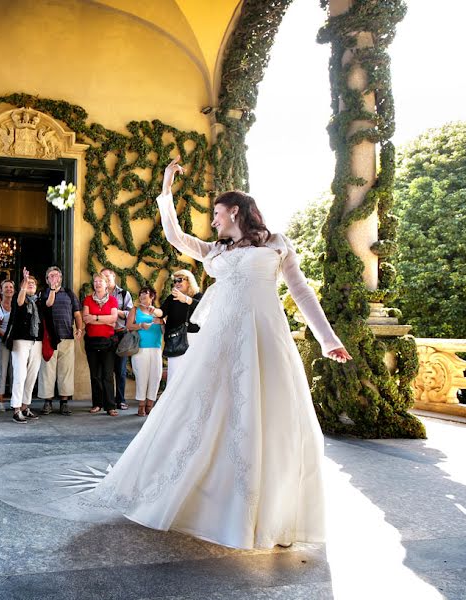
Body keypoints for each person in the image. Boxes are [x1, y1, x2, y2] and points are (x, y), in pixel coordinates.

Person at [88, 157, 352, 549]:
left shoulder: (277, 243)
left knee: (270, 416)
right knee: (203, 414)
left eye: (216, 213)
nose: (212, 220)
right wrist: (164, 191)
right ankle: (200, 500)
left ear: (235, 211)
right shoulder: (214, 251)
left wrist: (328, 338)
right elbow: (176, 236)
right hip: (220, 342)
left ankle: (272, 517)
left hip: (264, 337)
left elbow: (300, 291)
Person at [5, 268, 52, 424]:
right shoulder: (19, 298)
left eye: (33, 283)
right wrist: (24, 284)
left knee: (32, 375)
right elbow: (19, 303)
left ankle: (25, 406)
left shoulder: (39, 301)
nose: (31, 284)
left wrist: (52, 287)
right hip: (20, 340)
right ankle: (16, 408)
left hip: (36, 341)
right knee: (20, 374)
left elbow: (50, 303)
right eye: (27, 282)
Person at [38, 266, 83, 416]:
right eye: (51, 276)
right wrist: (51, 290)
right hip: (49, 338)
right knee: (47, 371)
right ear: (47, 279)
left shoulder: (69, 294)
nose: (54, 278)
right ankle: (47, 402)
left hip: (67, 337)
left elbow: (77, 314)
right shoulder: (43, 294)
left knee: (66, 371)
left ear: (61, 278)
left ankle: (64, 402)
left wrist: (79, 328)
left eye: (56, 276)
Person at [82, 272, 119, 416]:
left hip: (108, 342)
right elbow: (86, 319)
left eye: (100, 281)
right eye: (95, 281)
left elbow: (114, 319)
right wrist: (104, 318)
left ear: (106, 284)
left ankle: (110, 406)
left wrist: (95, 317)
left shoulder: (113, 300)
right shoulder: (88, 299)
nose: (97, 284)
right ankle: (97, 403)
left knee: (108, 375)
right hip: (91, 342)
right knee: (95, 375)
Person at [159, 269, 203, 386]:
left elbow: (204, 309)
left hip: (194, 338)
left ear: (189, 281)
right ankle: (172, 402)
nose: (177, 283)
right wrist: (154, 311)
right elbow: (162, 312)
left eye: (180, 280)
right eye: (175, 281)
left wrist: (186, 299)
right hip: (176, 338)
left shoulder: (198, 296)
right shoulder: (171, 298)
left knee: (192, 372)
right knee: (174, 372)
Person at [126, 286, 164, 417]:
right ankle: (141, 406)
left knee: (156, 376)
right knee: (141, 376)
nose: (142, 296)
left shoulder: (159, 312)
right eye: (141, 294)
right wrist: (141, 325)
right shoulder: (135, 310)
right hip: (140, 348)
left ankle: (150, 405)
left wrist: (161, 321)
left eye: (145, 294)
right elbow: (129, 326)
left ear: (152, 296)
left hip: (156, 348)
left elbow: (165, 330)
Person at [102, 267, 133, 411]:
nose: (106, 279)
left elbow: (130, 313)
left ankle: (121, 400)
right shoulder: (99, 294)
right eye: (103, 277)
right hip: (105, 335)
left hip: (121, 334)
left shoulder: (124, 293)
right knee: (106, 370)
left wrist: (116, 312)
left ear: (113, 276)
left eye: (108, 276)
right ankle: (108, 401)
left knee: (120, 370)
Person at [0, 279, 15, 411]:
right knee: (1, 370)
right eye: (6, 287)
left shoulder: (17, 304)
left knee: (15, 371)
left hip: (15, 342)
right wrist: (6, 338)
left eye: (11, 287)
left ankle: (14, 399)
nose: (9, 289)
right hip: (1, 341)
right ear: (1, 290)